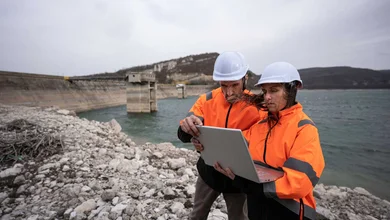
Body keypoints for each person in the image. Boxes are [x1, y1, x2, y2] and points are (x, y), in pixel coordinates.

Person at [214, 61, 326, 220]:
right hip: (258, 208)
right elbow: (233, 147)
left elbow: (300, 182)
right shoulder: (259, 127)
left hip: (289, 212)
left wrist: (253, 187)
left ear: (292, 89)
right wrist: (204, 141)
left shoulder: (304, 128)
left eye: (274, 90)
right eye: (265, 91)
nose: (267, 97)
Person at [177, 51, 262, 220]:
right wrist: (189, 130)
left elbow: (264, 144)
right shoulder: (206, 99)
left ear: (245, 78)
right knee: (197, 215)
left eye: (234, 85)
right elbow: (182, 134)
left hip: (238, 179)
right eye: (224, 85)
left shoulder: (258, 107)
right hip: (208, 173)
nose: (228, 93)